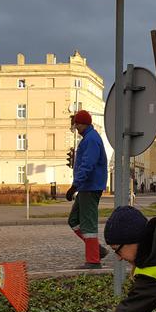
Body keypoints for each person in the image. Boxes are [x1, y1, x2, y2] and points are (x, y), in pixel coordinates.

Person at [65, 110, 109, 269]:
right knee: (74, 221)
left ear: (84, 123)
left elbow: (87, 165)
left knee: (88, 224)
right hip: (86, 187)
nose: (75, 127)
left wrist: (75, 185)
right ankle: (96, 250)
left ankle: (93, 260)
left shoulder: (91, 140)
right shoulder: (89, 138)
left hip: (89, 187)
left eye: (77, 123)